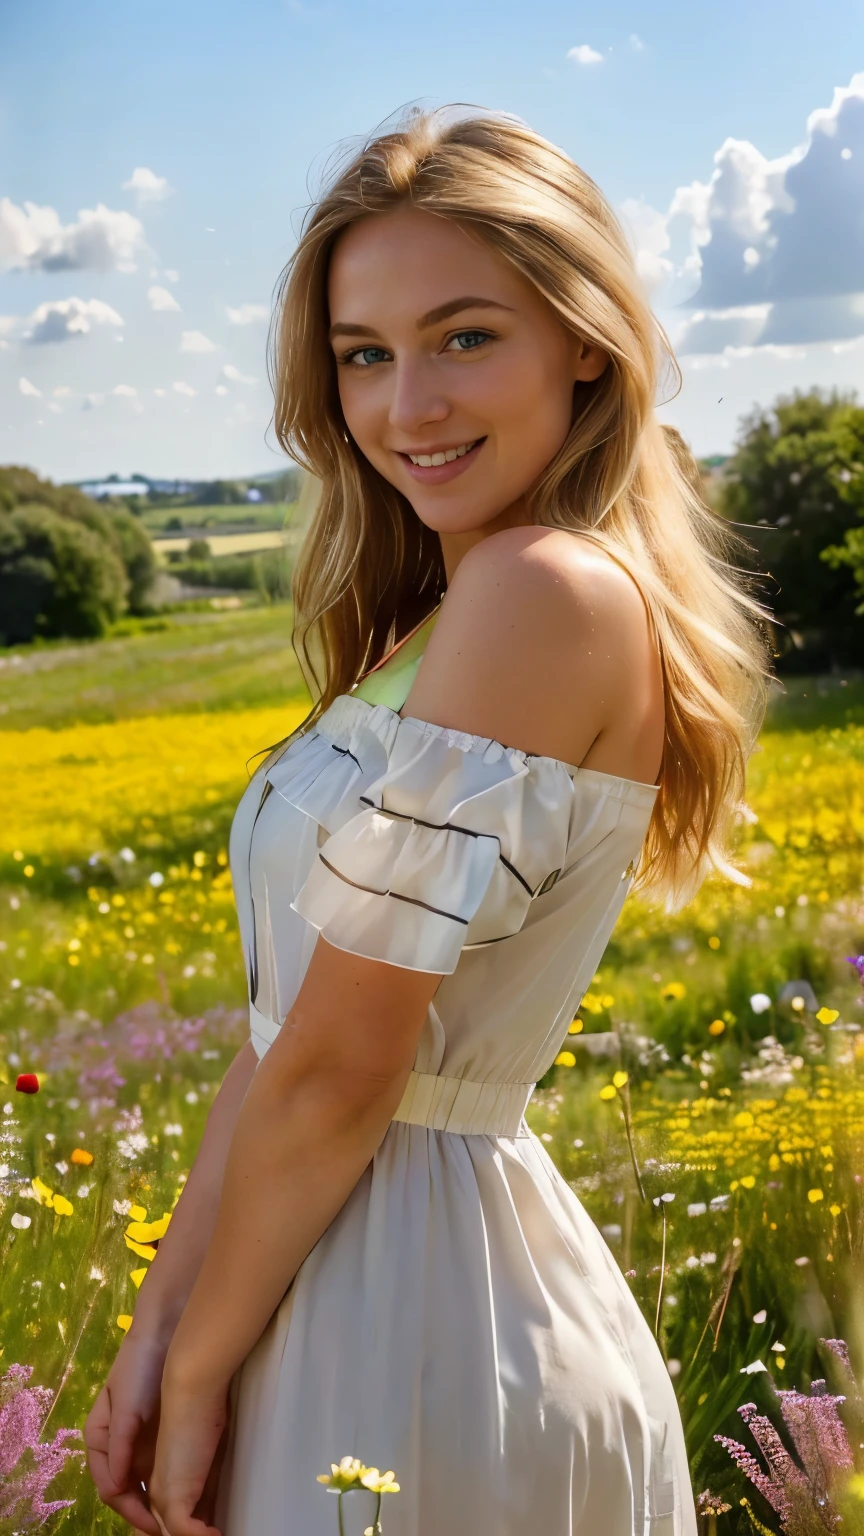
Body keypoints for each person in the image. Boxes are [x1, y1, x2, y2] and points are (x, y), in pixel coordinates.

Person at [84, 104, 772, 1536]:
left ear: (584, 338)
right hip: (326, 1282)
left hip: (414, 1319)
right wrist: (164, 1325)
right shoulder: (445, 613)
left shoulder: (541, 593)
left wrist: (203, 1363)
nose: (409, 409)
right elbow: (284, 1038)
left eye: (465, 336)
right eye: (364, 356)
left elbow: (346, 1065)